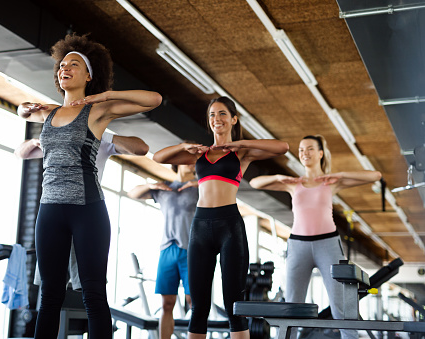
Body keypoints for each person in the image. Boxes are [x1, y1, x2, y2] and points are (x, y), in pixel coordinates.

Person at [17, 33, 162, 339]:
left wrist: (105, 96)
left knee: (93, 295)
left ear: (88, 74)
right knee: (49, 297)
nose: (63, 69)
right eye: (61, 65)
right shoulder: (50, 112)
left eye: (73, 64)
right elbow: (21, 110)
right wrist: (27, 108)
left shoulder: (97, 111)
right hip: (50, 210)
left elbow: (154, 99)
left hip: (87, 211)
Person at [152, 96, 289, 339]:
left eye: (223, 114)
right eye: (212, 115)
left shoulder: (242, 153)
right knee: (199, 308)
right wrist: (184, 147)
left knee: (234, 307)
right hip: (200, 227)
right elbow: (158, 158)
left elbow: (282, 147)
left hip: (229, 226)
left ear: (233, 119)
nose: (217, 119)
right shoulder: (199, 155)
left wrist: (241, 142)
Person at [249, 134, 382, 339]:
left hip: (327, 244)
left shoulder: (330, 183)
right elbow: (255, 182)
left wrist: (339, 175)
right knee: (292, 305)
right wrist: (278, 178)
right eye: (301, 150)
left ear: (320, 153)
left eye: (310, 148)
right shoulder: (293, 183)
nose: (305, 153)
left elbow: (375, 175)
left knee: (340, 305)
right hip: (298, 246)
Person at [15, 132, 149, 291]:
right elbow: (20, 153)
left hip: (86, 213)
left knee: (89, 287)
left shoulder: (101, 139)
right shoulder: (60, 136)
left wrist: (102, 135)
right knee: (50, 288)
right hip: (56, 213)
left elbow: (141, 148)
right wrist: (35, 142)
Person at [127, 163, 198, 339]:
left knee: (194, 302)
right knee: (167, 304)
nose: (192, 162)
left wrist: (204, 183)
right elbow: (132, 193)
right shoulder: (164, 188)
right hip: (167, 250)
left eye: (194, 158)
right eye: (187, 158)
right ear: (177, 162)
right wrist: (151, 185)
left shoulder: (200, 187)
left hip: (192, 250)